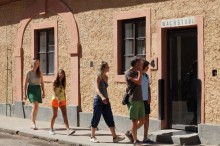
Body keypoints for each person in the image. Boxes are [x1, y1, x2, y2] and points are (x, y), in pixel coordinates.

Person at [90, 61, 125, 143]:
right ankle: (92, 136)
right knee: (96, 117)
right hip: (98, 100)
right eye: (107, 66)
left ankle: (115, 137)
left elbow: (105, 89)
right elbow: (97, 89)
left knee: (109, 118)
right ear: (103, 68)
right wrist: (102, 97)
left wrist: (106, 98)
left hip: (106, 100)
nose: (109, 68)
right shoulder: (98, 77)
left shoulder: (106, 77)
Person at [125, 57, 145, 145]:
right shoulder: (129, 73)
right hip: (133, 100)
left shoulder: (137, 72)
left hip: (140, 99)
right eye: (140, 63)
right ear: (136, 64)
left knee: (142, 120)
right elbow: (139, 82)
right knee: (134, 120)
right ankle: (135, 141)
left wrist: (140, 71)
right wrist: (140, 71)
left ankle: (130, 132)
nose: (141, 65)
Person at [49, 69, 75, 136]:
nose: (61, 75)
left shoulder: (63, 83)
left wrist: (65, 100)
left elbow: (63, 92)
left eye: (62, 74)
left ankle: (68, 130)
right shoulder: (55, 81)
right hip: (55, 100)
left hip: (62, 100)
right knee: (55, 115)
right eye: (60, 73)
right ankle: (51, 129)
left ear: (64, 75)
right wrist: (58, 99)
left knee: (65, 114)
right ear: (58, 74)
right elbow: (54, 92)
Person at [24, 58, 45, 130]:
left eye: (37, 63)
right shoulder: (28, 72)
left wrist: (43, 91)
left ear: (39, 64)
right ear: (32, 64)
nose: (36, 65)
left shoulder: (40, 72)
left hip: (38, 89)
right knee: (35, 104)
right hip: (31, 89)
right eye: (34, 63)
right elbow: (25, 84)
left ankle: (33, 122)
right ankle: (33, 123)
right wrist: (25, 94)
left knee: (36, 106)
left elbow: (42, 82)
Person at [183, 60, 198, 125]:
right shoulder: (189, 75)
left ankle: (194, 121)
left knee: (196, 109)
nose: (196, 68)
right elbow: (185, 85)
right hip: (191, 95)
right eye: (195, 66)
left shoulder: (198, 75)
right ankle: (193, 121)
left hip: (196, 95)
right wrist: (187, 94)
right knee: (192, 110)